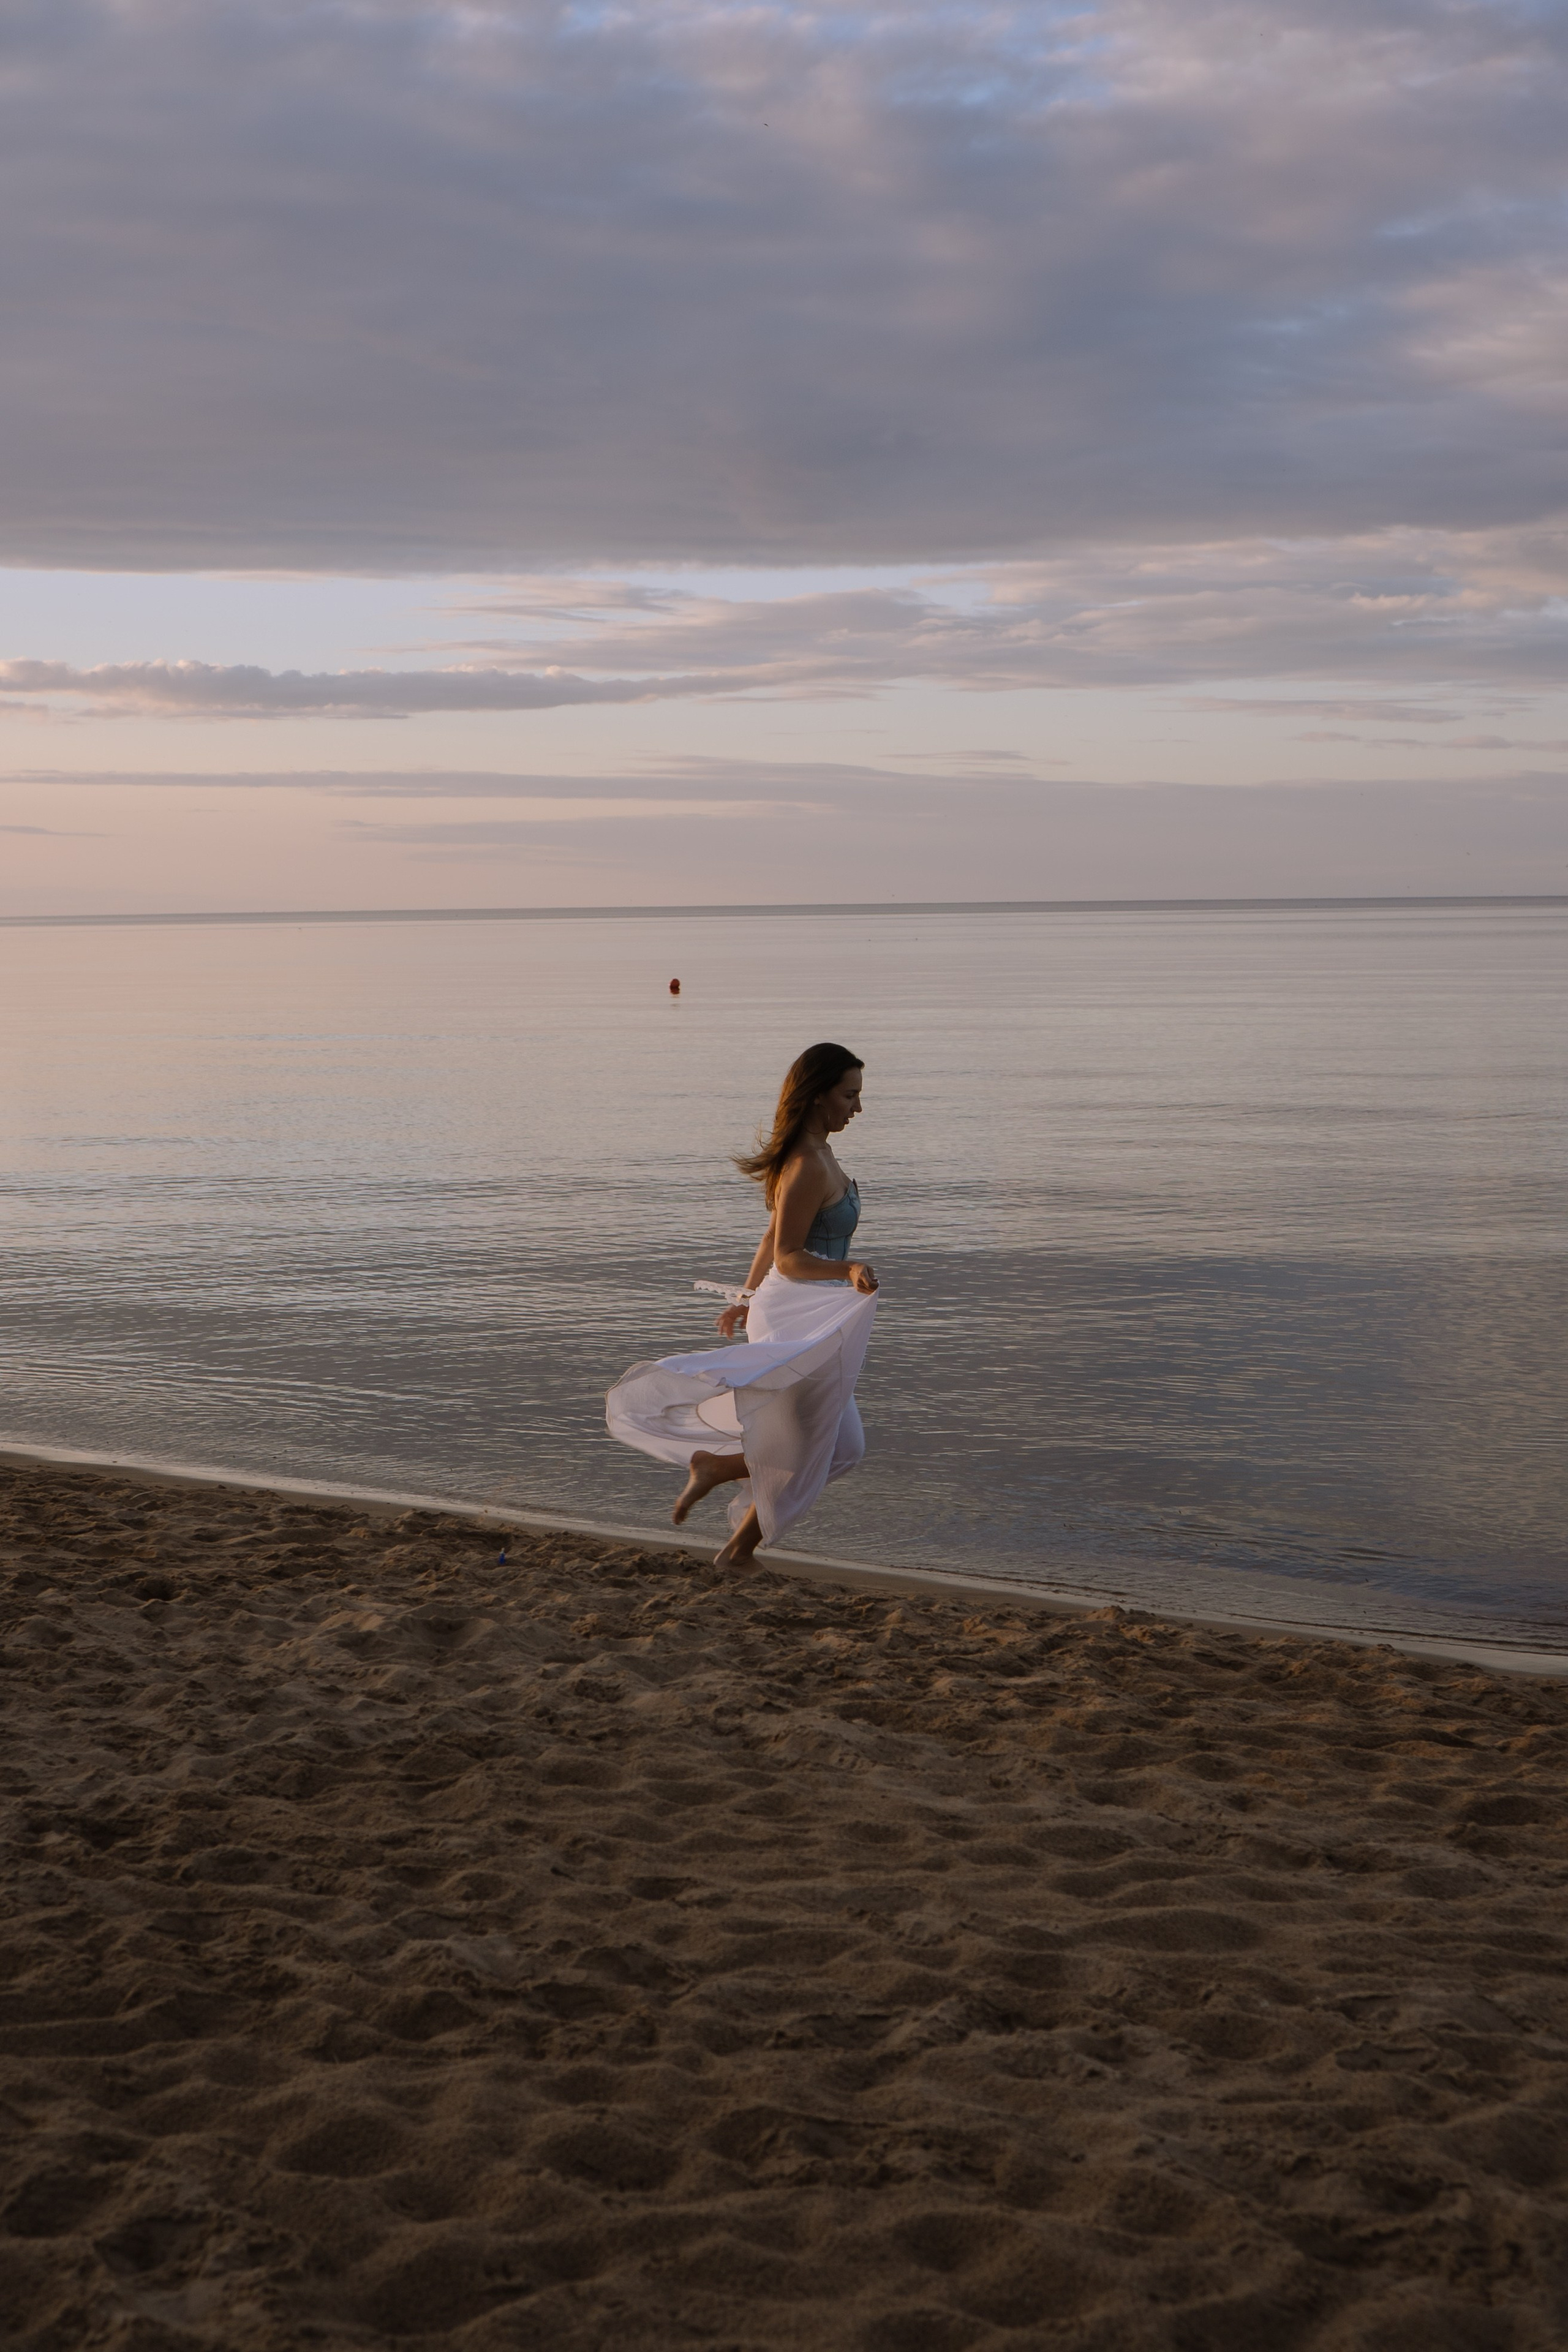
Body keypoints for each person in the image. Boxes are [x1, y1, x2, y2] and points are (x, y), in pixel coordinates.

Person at [605, 1042, 879, 1566]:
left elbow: (769, 1237)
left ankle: (721, 1485)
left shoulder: (819, 1153)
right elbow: (788, 1254)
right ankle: (733, 1537)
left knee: (839, 1449)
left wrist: (747, 1298)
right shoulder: (804, 1165)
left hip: (809, 1310)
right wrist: (845, 1270)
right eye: (850, 1096)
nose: (857, 1108)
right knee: (817, 1444)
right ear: (820, 1096)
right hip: (799, 1312)